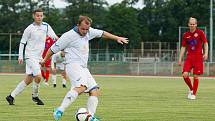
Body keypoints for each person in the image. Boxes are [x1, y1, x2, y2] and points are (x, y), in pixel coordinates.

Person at [40, 15, 128, 120]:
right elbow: (52, 49)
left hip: (83, 67)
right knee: (82, 87)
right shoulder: (68, 36)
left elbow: (102, 33)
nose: (85, 31)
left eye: (87, 29)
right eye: (83, 29)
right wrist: (45, 60)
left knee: (94, 90)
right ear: (77, 25)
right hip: (73, 65)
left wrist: (117, 38)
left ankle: (89, 117)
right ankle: (59, 110)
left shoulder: (89, 31)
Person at [6, 8, 58, 105]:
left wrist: (62, 42)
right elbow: (22, 42)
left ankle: (11, 96)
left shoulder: (46, 26)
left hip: (38, 57)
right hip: (30, 55)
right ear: (34, 16)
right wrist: (20, 56)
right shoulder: (29, 28)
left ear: (43, 16)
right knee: (38, 75)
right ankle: (35, 96)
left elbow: (54, 37)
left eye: (41, 15)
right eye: (37, 15)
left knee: (29, 79)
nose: (39, 17)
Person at [178, 17, 208, 100]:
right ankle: (191, 89)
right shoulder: (185, 35)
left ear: (196, 24)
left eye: (193, 24)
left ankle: (194, 94)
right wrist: (180, 58)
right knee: (185, 74)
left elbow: (205, 43)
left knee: (195, 76)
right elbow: (183, 47)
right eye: (191, 24)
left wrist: (206, 53)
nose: (192, 25)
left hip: (198, 56)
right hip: (189, 56)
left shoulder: (200, 33)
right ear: (188, 24)